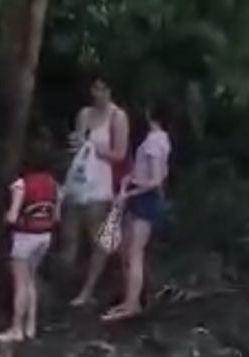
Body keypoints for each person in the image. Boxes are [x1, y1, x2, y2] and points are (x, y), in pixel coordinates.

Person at [101, 101, 172, 322]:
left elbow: (156, 178)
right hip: (141, 195)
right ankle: (129, 299)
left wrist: (129, 193)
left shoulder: (153, 141)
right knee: (129, 251)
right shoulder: (162, 139)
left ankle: (132, 304)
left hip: (144, 198)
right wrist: (129, 180)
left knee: (135, 253)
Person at [63, 75, 130, 306]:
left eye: (103, 88)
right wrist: (77, 145)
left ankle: (89, 289)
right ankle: (65, 283)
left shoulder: (117, 117)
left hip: (101, 185)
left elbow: (119, 154)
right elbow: (77, 144)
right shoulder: (84, 114)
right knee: (69, 235)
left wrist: (96, 148)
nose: (97, 93)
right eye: (95, 88)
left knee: (98, 238)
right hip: (78, 181)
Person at [0, 139, 61, 343]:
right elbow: (57, 217)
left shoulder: (21, 185)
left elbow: (13, 217)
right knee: (31, 280)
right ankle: (30, 326)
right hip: (44, 237)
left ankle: (16, 329)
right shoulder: (54, 184)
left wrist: (3, 218)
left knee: (20, 283)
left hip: (24, 237)